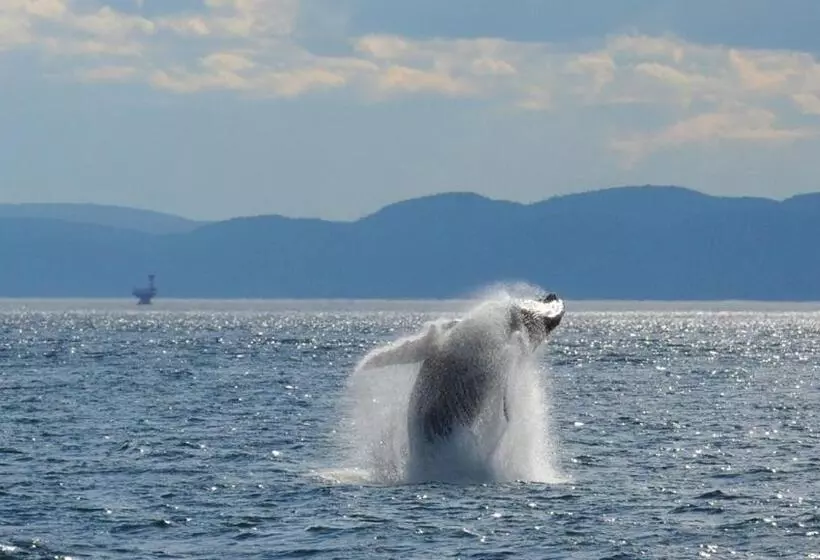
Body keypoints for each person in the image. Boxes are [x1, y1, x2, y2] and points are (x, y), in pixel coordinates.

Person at [357, 292, 565, 444]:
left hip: (432, 428)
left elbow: (425, 344)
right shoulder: (502, 348)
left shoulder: (463, 332)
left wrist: (380, 358)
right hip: (437, 428)